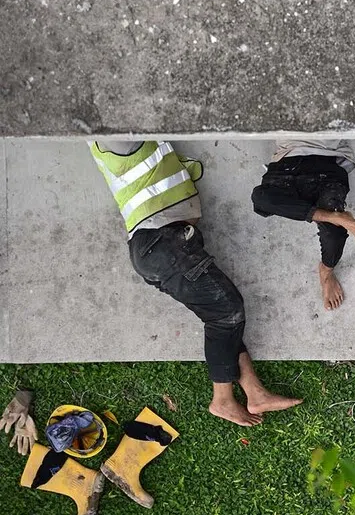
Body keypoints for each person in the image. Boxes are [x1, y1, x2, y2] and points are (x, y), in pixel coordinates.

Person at [91, 141, 302, 426]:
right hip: (160, 242)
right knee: (226, 312)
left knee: (219, 317)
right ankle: (223, 400)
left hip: (158, 246)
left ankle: (255, 393)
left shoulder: (125, 142)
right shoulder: (117, 138)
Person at [250, 140, 355, 310]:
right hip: (285, 166)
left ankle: (326, 271)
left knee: (334, 235)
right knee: (260, 198)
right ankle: (330, 216)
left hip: (326, 164)